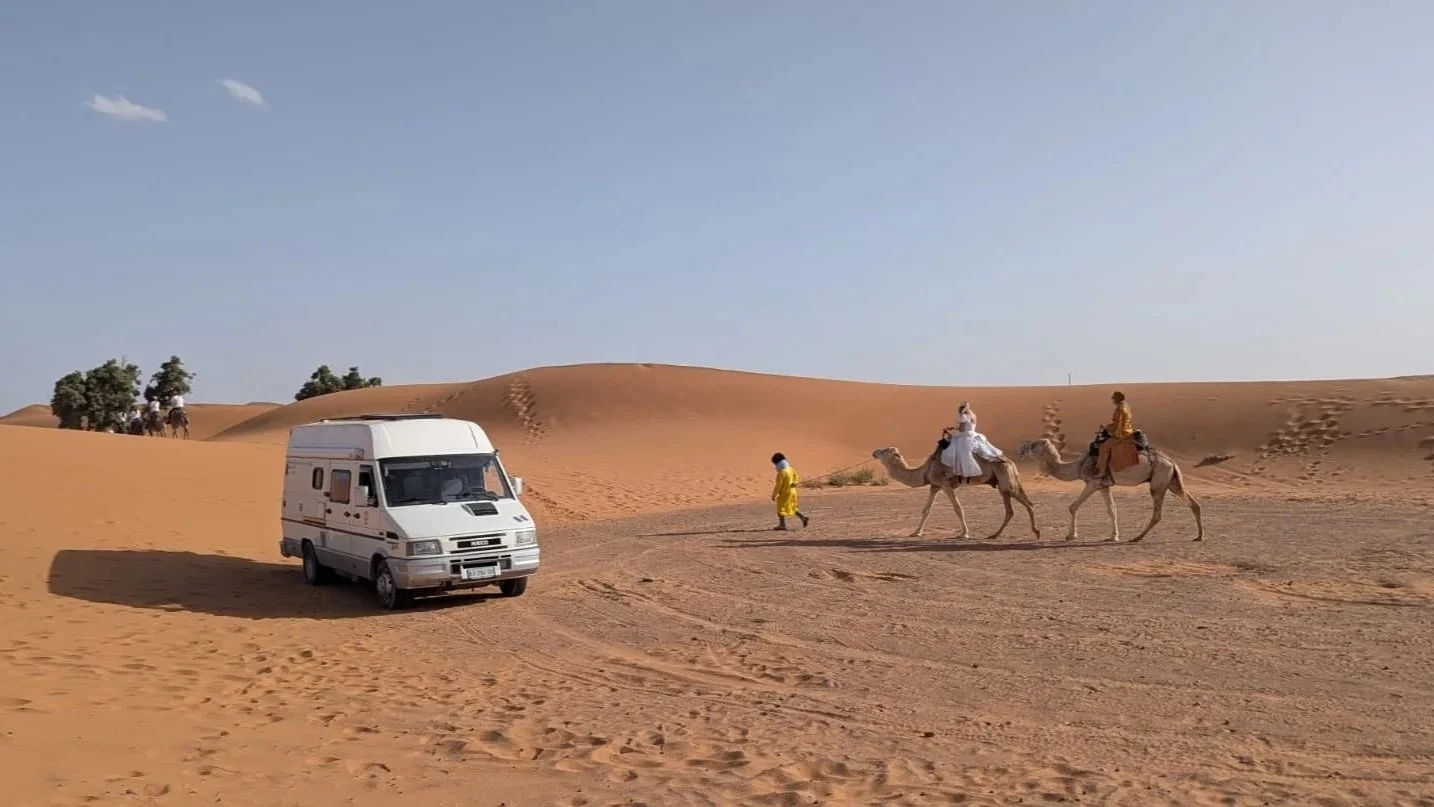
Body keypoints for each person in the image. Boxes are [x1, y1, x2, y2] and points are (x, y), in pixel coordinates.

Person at [940, 401, 1003, 484]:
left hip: (965, 437)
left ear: (963, 408)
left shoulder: (963, 416)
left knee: (951, 451)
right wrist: (954, 427)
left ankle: (960, 474)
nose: (959, 409)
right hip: (973, 435)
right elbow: (969, 426)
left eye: (960, 407)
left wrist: (953, 428)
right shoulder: (973, 415)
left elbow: (962, 429)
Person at [1095, 391, 1135, 485]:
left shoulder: (1119, 409)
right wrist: (1106, 427)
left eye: (1113, 398)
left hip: (1122, 434)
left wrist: (1111, 432)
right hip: (1127, 431)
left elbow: (1118, 424)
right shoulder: (1125, 407)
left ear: (1116, 399)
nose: (1112, 399)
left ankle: (1101, 472)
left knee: (1103, 447)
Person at [770, 453, 810, 531]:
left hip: (785, 493)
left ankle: (782, 525)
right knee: (792, 506)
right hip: (793, 492)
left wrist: (774, 495)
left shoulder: (781, 472)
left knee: (780, 508)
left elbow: (778, 485)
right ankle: (803, 518)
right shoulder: (791, 469)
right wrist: (795, 482)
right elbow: (797, 478)